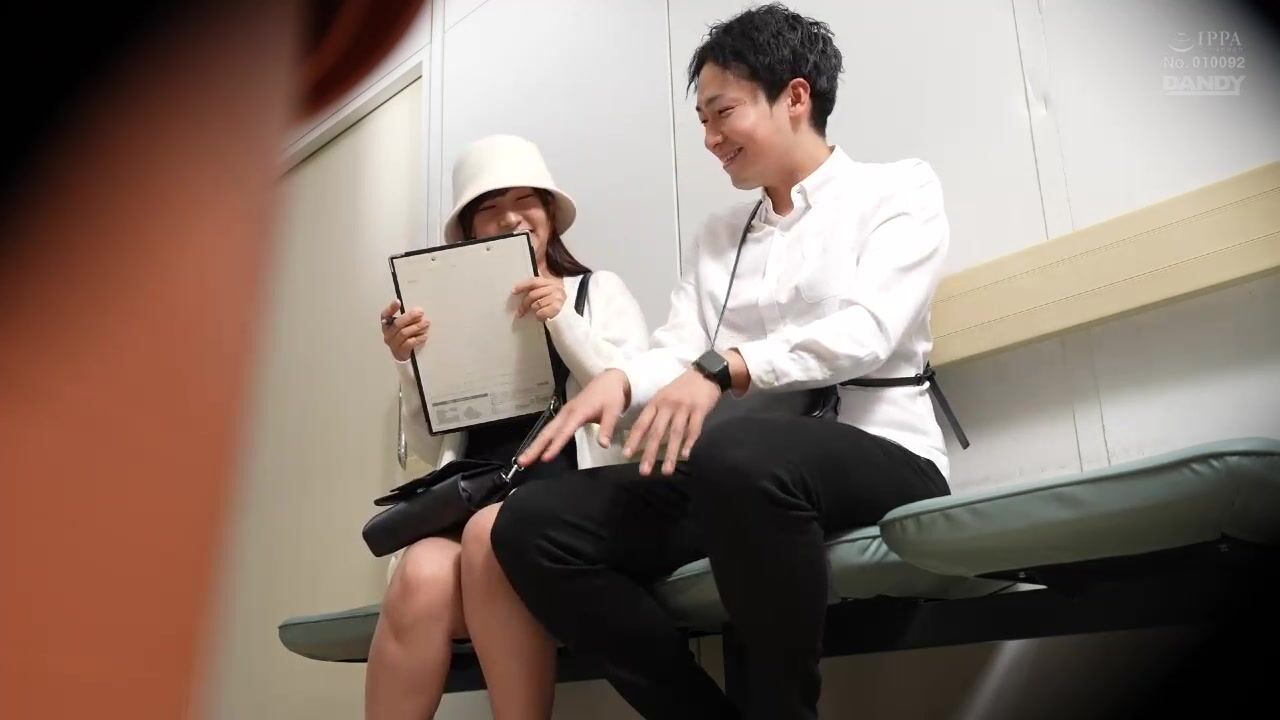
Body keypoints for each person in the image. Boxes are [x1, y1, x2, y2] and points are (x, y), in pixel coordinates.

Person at [490, 6, 955, 720]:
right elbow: (680, 348)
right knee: (529, 524)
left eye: (723, 113)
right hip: (737, 481)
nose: (710, 139)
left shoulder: (899, 191)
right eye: (702, 120)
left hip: (881, 454)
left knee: (739, 453)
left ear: (795, 97)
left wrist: (726, 367)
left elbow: (867, 331)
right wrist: (620, 379)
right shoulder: (719, 234)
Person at [363, 134, 649, 720]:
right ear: (469, 230)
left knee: (489, 533)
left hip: (568, 504)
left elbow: (635, 409)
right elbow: (431, 448)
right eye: (489, 208)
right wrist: (408, 363)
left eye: (525, 201)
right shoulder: (452, 316)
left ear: (550, 214)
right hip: (479, 497)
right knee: (419, 572)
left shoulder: (597, 291)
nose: (510, 218)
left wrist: (561, 318)